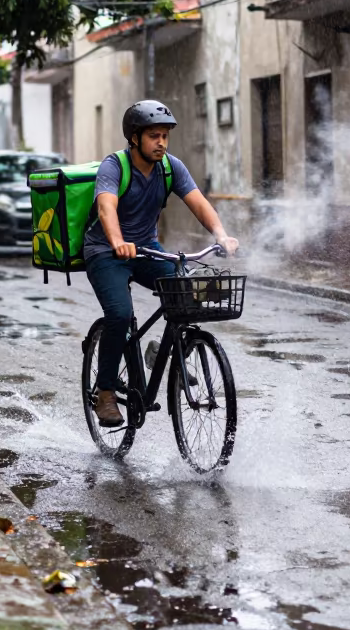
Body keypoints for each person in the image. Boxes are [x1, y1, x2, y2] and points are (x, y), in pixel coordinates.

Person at [84, 100, 239, 427]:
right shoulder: (115, 167)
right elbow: (105, 209)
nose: (162, 143)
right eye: (154, 136)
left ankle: (165, 353)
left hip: (147, 250)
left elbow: (198, 203)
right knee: (120, 314)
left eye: (165, 136)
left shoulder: (170, 167)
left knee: (189, 292)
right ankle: (106, 392)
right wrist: (116, 241)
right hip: (105, 251)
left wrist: (221, 235)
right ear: (135, 138)